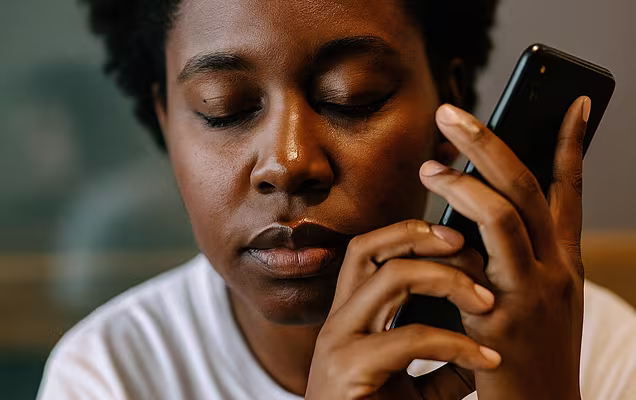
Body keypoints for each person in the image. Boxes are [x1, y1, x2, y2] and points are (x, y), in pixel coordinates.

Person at [37, 0, 636, 399]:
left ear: (446, 106)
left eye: (352, 97)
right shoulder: (110, 372)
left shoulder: (598, 348)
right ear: (166, 121)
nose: (289, 163)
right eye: (225, 107)